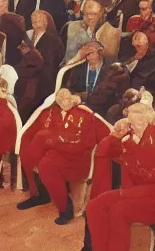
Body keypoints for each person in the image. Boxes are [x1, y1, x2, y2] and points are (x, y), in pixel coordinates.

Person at [80, 103, 155, 251]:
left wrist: (123, 193)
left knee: (101, 205)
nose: (130, 126)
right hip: (137, 196)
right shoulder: (130, 140)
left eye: (132, 123)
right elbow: (104, 152)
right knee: (107, 209)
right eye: (130, 123)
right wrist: (115, 134)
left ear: (144, 122)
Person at [17, 89, 100, 224]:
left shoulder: (84, 114)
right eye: (59, 96)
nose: (62, 99)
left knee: (46, 163)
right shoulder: (51, 111)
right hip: (55, 152)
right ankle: (43, 196)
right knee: (33, 156)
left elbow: (85, 143)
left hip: (75, 157)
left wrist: (53, 143)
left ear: (73, 97)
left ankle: (64, 209)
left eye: (66, 96)